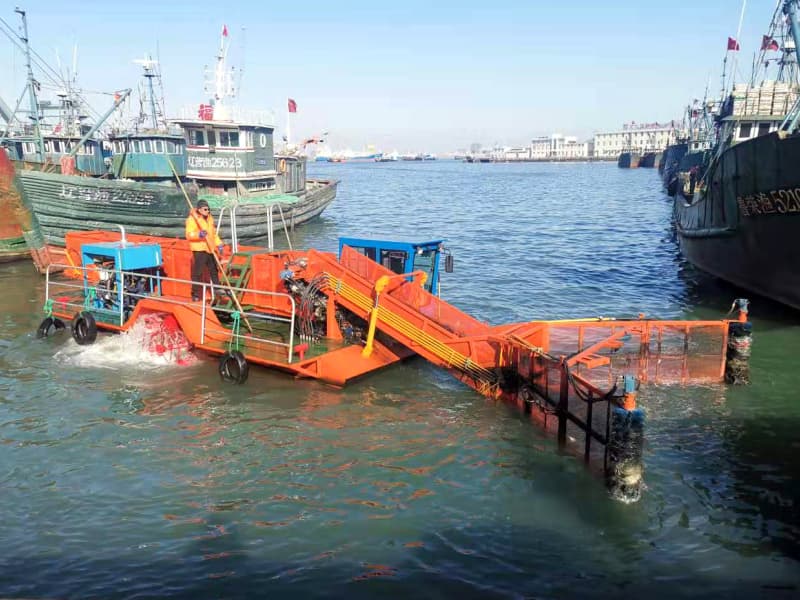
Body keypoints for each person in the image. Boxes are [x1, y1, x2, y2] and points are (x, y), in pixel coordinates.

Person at [186, 199, 225, 301]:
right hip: (199, 248)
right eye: (205, 209)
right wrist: (199, 235)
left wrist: (219, 244)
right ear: (199, 210)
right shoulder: (193, 219)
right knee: (198, 272)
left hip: (209, 248)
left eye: (208, 209)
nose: (208, 211)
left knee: (214, 269)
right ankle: (195, 294)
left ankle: (217, 288)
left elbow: (213, 234)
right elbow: (189, 234)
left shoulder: (210, 219)